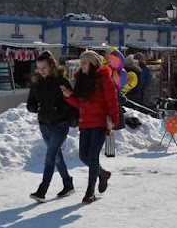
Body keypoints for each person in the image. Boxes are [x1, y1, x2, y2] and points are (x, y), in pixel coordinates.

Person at [62, 50, 120, 204]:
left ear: (93, 64)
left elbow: (112, 100)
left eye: (84, 63)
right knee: (83, 156)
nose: (81, 66)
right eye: (81, 63)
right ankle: (102, 173)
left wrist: (113, 120)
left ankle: (90, 191)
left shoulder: (103, 79)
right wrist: (69, 96)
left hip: (100, 123)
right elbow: (80, 104)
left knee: (93, 157)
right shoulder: (81, 80)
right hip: (85, 122)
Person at [27, 51, 78, 203]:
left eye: (44, 67)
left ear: (51, 66)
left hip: (60, 125)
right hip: (44, 125)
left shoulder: (61, 81)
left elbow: (73, 102)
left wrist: (61, 111)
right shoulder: (37, 82)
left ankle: (42, 190)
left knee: (50, 157)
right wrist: (33, 107)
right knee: (56, 156)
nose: (41, 70)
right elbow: (31, 103)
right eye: (39, 68)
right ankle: (68, 184)